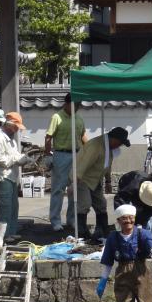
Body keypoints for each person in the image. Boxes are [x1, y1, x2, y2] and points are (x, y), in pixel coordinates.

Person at [74, 126, 131, 241]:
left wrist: (108, 181)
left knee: (101, 204)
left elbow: (107, 165)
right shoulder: (95, 146)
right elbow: (83, 164)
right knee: (84, 204)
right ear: (114, 139)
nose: (119, 146)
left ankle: (101, 230)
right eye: (120, 143)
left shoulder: (108, 147)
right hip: (82, 177)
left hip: (96, 179)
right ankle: (82, 233)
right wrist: (74, 182)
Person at [45, 93, 87, 232]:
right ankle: (55, 220)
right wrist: (48, 155)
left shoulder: (80, 118)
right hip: (61, 155)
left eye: (79, 105)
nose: (77, 107)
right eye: (75, 104)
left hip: (78, 154)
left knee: (75, 189)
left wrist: (89, 151)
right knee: (58, 189)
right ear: (67, 103)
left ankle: (72, 219)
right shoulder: (57, 117)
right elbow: (48, 137)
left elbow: (83, 136)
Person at [0, 111, 33, 239]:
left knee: (14, 205)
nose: (17, 130)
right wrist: (16, 160)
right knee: (5, 206)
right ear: (9, 124)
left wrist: (24, 158)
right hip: (2, 176)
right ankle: (3, 235)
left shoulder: (11, 138)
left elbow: (14, 154)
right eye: (16, 127)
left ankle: (11, 232)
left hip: (12, 175)